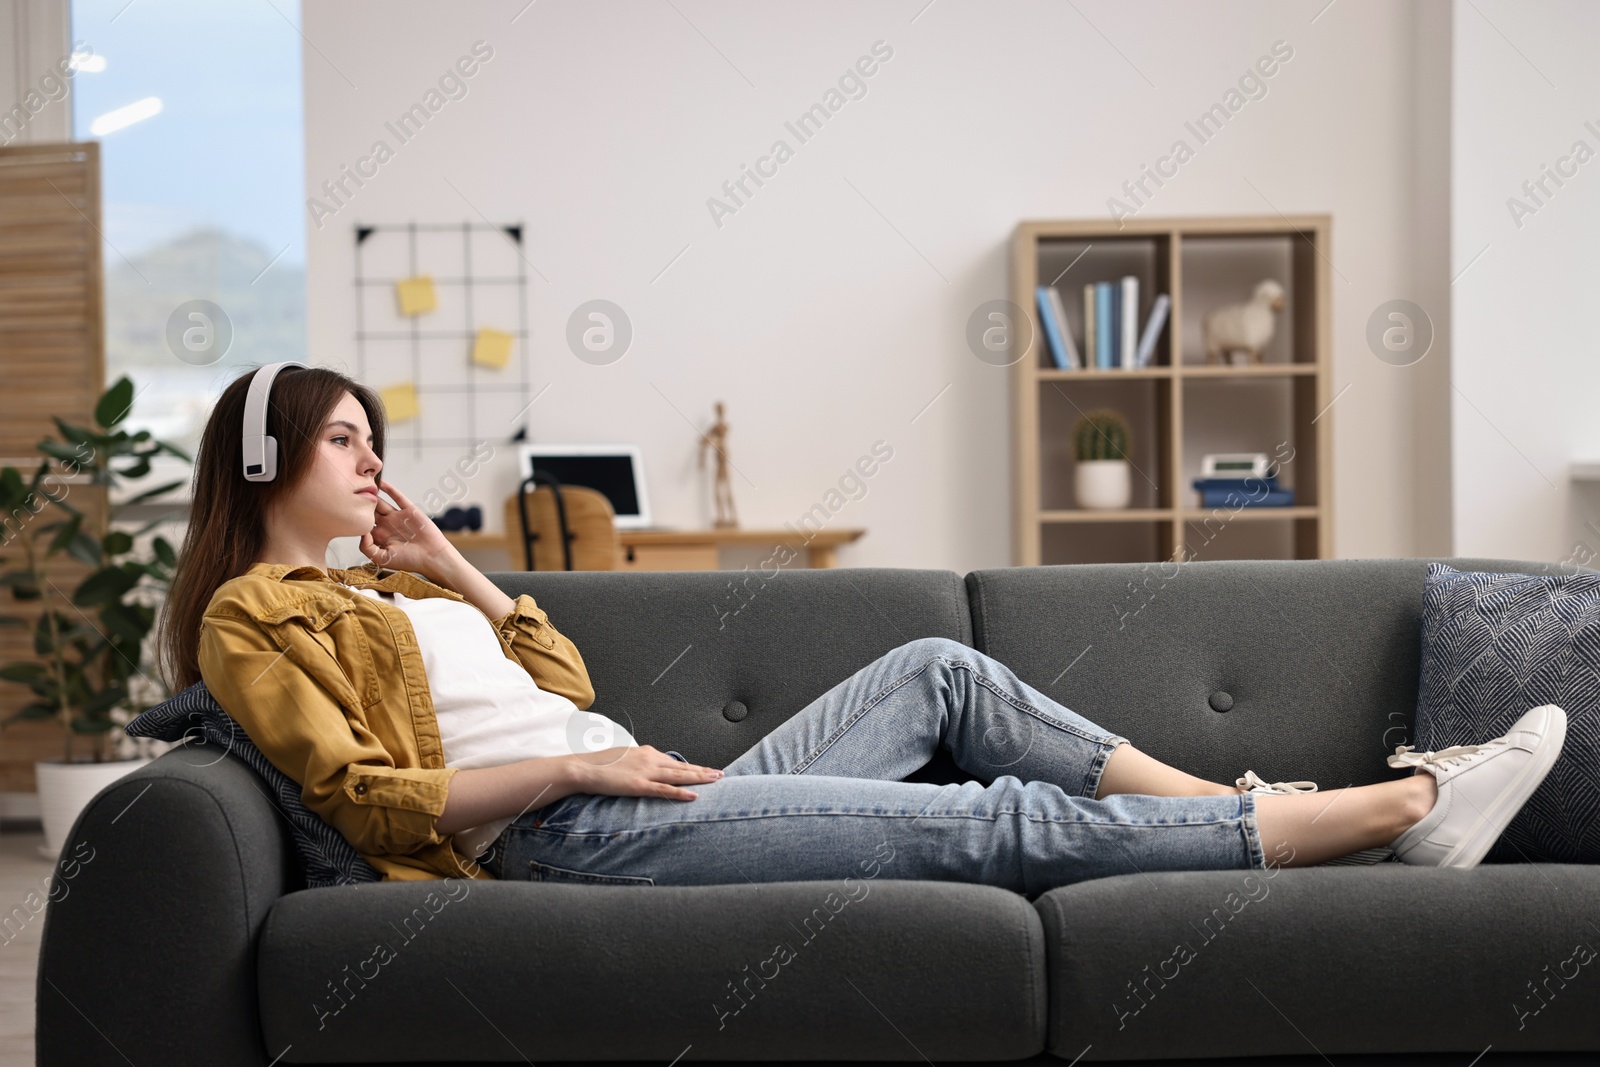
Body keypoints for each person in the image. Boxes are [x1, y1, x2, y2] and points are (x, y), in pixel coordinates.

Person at [156, 364, 1569, 892]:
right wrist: (576, 771)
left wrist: (452, 571)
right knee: (989, 820)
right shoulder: (249, 615)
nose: (371, 462)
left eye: (373, 438)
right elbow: (368, 800)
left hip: (638, 787)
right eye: (342, 440)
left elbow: (558, 674)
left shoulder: (387, 591)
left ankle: (1246, 812)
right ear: (269, 462)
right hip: (565, 836)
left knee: (943, 671)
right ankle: (1383, 815)